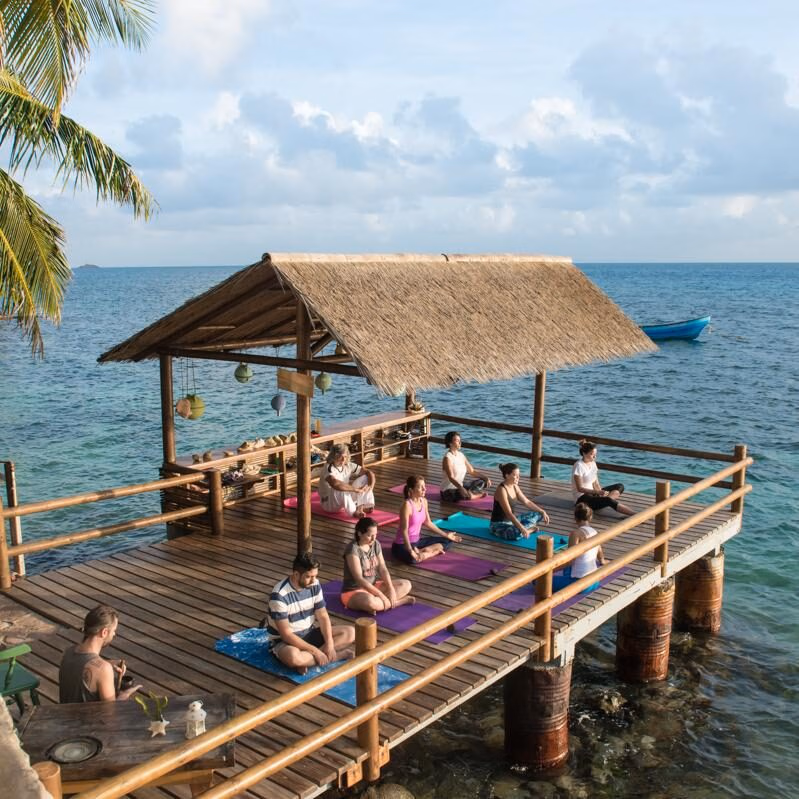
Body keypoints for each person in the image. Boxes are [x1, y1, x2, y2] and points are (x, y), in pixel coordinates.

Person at [266, 552, 355, 673]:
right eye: (309, 576)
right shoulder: (279, 596)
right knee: (293, 657)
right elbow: (286, 635)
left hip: (309, 633)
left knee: (350, 632)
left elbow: (323, 616)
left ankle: (309, 661)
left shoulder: (314, 584)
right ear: (296, 574)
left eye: (315, 576)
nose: (314, 580)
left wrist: (329, 643)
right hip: (286, 642)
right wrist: (315, 651)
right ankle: (337, 656)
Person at [59, 605, 142, 703]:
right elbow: (110, 713)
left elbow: (81, 665)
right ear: (104, 632)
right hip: (89, 718)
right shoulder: (103, 669)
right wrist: (124, 696)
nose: (114, 634)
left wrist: (108, 663)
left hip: (64, 715)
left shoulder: (68, 652)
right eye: (114, 631)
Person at [342, 517, 415, 612]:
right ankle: (398, 602)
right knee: (370, 603)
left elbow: (382, 568)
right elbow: (359, 579)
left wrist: (391, 588)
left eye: (375, 535)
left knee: (406, 584)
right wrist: (381, 595)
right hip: (354, 591)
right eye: (370, 535)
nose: (373, 538)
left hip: (374, 586)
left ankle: (383, 604)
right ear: (359, 533)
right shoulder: (352, 549)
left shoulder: (376, 544)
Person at [392, 475, 462, 564]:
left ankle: (423, 551)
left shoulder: (424, 501)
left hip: (417, 542)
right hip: (402, 545)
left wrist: (446, 535)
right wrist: (410, 550)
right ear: (411, 490)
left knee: (448, 541)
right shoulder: (407, 505)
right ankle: (430, 552)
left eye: (424, 486)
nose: (424, 489)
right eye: (420, 487)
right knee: (413, 559)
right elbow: (404, 530)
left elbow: (428, 522)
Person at [490, 463, 551, 540]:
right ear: (507, 475)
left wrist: (542, 511)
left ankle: (525, 530)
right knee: (515, 532)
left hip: (512, 522)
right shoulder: (501, 490)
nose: (518, 477)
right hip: (498, 525)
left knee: (538, 514)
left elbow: (527, 502)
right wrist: (521, 528)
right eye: (515, 475)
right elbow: (509, 513)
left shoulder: (515, 486)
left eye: (519, 475)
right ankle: (529, 530)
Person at [572, 439, 634, 516]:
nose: (595, 456)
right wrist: (598, 492)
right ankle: (634, 514)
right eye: (592, 454)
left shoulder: (593, 463)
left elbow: (595, 483)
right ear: (584, 453)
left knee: (620, 486)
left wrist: (600, 492)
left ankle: (604, 502)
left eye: (595, 454)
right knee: (608, 500)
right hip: (582, 498)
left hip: (593, 494)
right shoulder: (578, 466)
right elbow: (580, 489)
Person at [554, 503, 607, 592]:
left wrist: (548, 572)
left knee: (537, 581)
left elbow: (570, 561)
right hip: (594, 581)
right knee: (567, 569)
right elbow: (601, 557)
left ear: (575, 518)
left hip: (580, 585)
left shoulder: (576, 534)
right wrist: (604, 562)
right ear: (590, 518)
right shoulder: (595, 532)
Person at [318, 443, 376, 518]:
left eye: (345, 456)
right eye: (340, 457)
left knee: (365, 478)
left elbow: (369, 473)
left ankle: (360, 507)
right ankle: (354, 512)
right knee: (340, 488)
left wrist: (370, 486)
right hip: (329, 503)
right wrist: (355, 490)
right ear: (334, 456)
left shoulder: (348, 464)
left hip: (344, 499)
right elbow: (335, 484)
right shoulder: (328, 467)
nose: (343, 459)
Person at [440, 431, 492, 501]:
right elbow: (451, 477)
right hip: (448, 491)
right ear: (450, 443)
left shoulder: (461, 455)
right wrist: (461, 488)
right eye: (457, 440)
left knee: (482, 482)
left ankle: (470, 493)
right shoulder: (447, 458)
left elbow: (472, 471)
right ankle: (477, 495)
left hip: (460, 486)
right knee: (463, 494)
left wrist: (485, 477)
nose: (460, 442)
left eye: (460, 440)